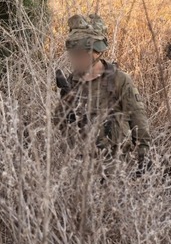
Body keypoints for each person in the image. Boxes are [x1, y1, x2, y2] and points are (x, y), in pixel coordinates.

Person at [54, 14, 151, 175]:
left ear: (95, 53)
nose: (76, 59)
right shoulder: (71, 82)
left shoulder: (119, 80)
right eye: (74, 54)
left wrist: (143, 157)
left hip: (116, 163)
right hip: (82, 164)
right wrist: (67, 106)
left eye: (81, 54)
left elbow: (138, 119)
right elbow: (60, 124)